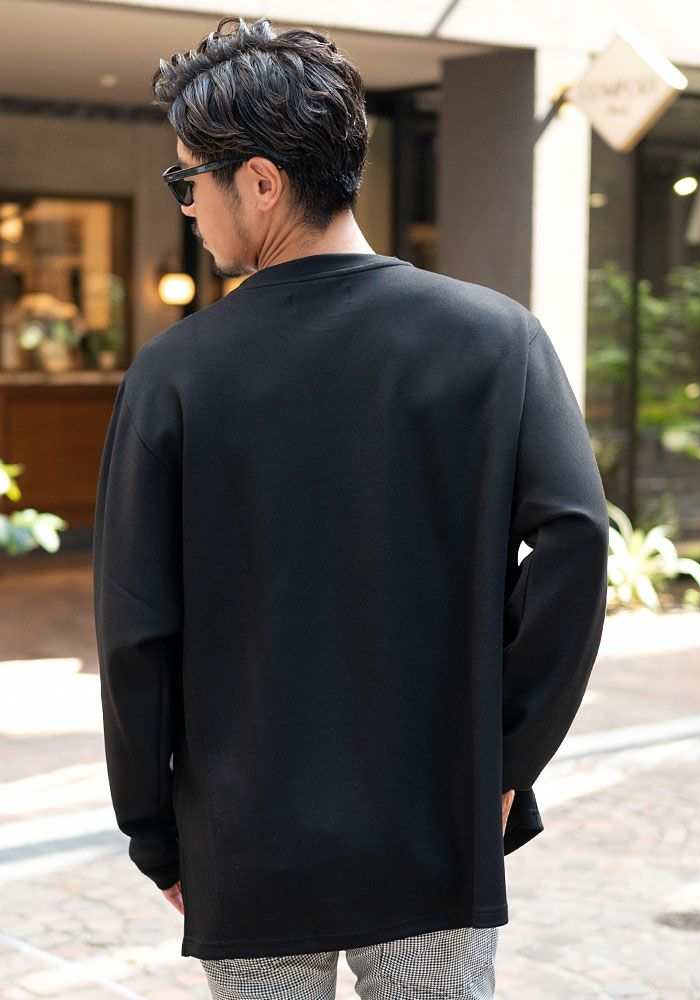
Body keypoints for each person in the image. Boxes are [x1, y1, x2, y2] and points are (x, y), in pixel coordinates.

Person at [92, 15, 609, 999]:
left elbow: (135, 630)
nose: (187, 206)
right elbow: (576, 543)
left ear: (259, 181)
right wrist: (505, 756)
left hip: (248, 831)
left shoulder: (175, 374)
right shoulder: (496, 339)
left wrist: (152, 828)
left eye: (187, 179)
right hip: (434, 816)